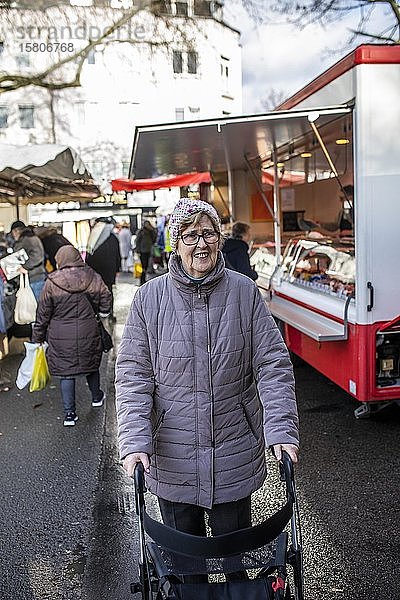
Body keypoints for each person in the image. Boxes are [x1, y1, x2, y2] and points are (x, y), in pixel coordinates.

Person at [115, 197, 299, 570]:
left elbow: (272, 365)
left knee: (234, 562)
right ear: (175, 243)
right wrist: (135, 441)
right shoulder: (150, 299)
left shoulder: (244, 292)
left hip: (233, 451)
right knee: (186, 568)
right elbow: (133, 376)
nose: (200, 243)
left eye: (208, 233)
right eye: (189, 235)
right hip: (173, 457)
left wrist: (280, 429)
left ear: (219, 237)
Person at [32, 246, 111, 427]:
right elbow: (105, 296)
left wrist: (38, 337)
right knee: (91, 365)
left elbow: (42, 313)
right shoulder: (92, 275)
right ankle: (96, 397)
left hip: (60, 334)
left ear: (59, 259)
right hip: (88, 329)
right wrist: (103, 312)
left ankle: (69, 415)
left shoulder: (51, 282)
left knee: (66, 374)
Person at [85, 217, 121, 321]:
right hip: (109, 271)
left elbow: (89, 255)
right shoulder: (113, 238)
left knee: (96, 291)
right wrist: (117, 269)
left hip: (96, 271)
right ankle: (110, 312)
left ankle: (98, 311)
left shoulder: (94, 239)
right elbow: (117, 255)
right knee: (108, 291)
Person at [10, 221, 47, 301]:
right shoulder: (24, 239)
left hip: (35, 279)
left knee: (38, 307)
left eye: (12, 232)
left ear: (16, 231)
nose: (12, 235)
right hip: (29, 279)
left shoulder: (30, 238)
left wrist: (25, 267)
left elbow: (38, 255)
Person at [134, 220, 157, 285]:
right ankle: (142, 279)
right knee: (143, 265)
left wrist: (152, 230)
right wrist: (137, 250)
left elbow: (154, 239)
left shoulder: (151, 232)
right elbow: (137, 241)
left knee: (146, 265)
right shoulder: (141, 232)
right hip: (142, 251)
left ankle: (143, 278)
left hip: (148, 250)